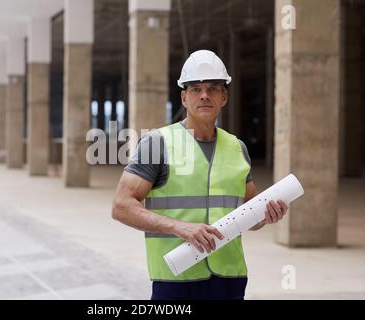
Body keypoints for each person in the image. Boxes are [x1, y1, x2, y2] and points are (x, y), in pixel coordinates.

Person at [112, 50, 289, 300]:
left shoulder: (238, 148)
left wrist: (267, 215)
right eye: (195, 89)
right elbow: (121, 206)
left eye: (213, 88)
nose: (204, 95)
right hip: (177, 279)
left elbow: (251, 216)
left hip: (230, 279)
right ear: (184, 98)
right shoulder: (158, 143)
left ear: (224, 96)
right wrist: (178, 227)